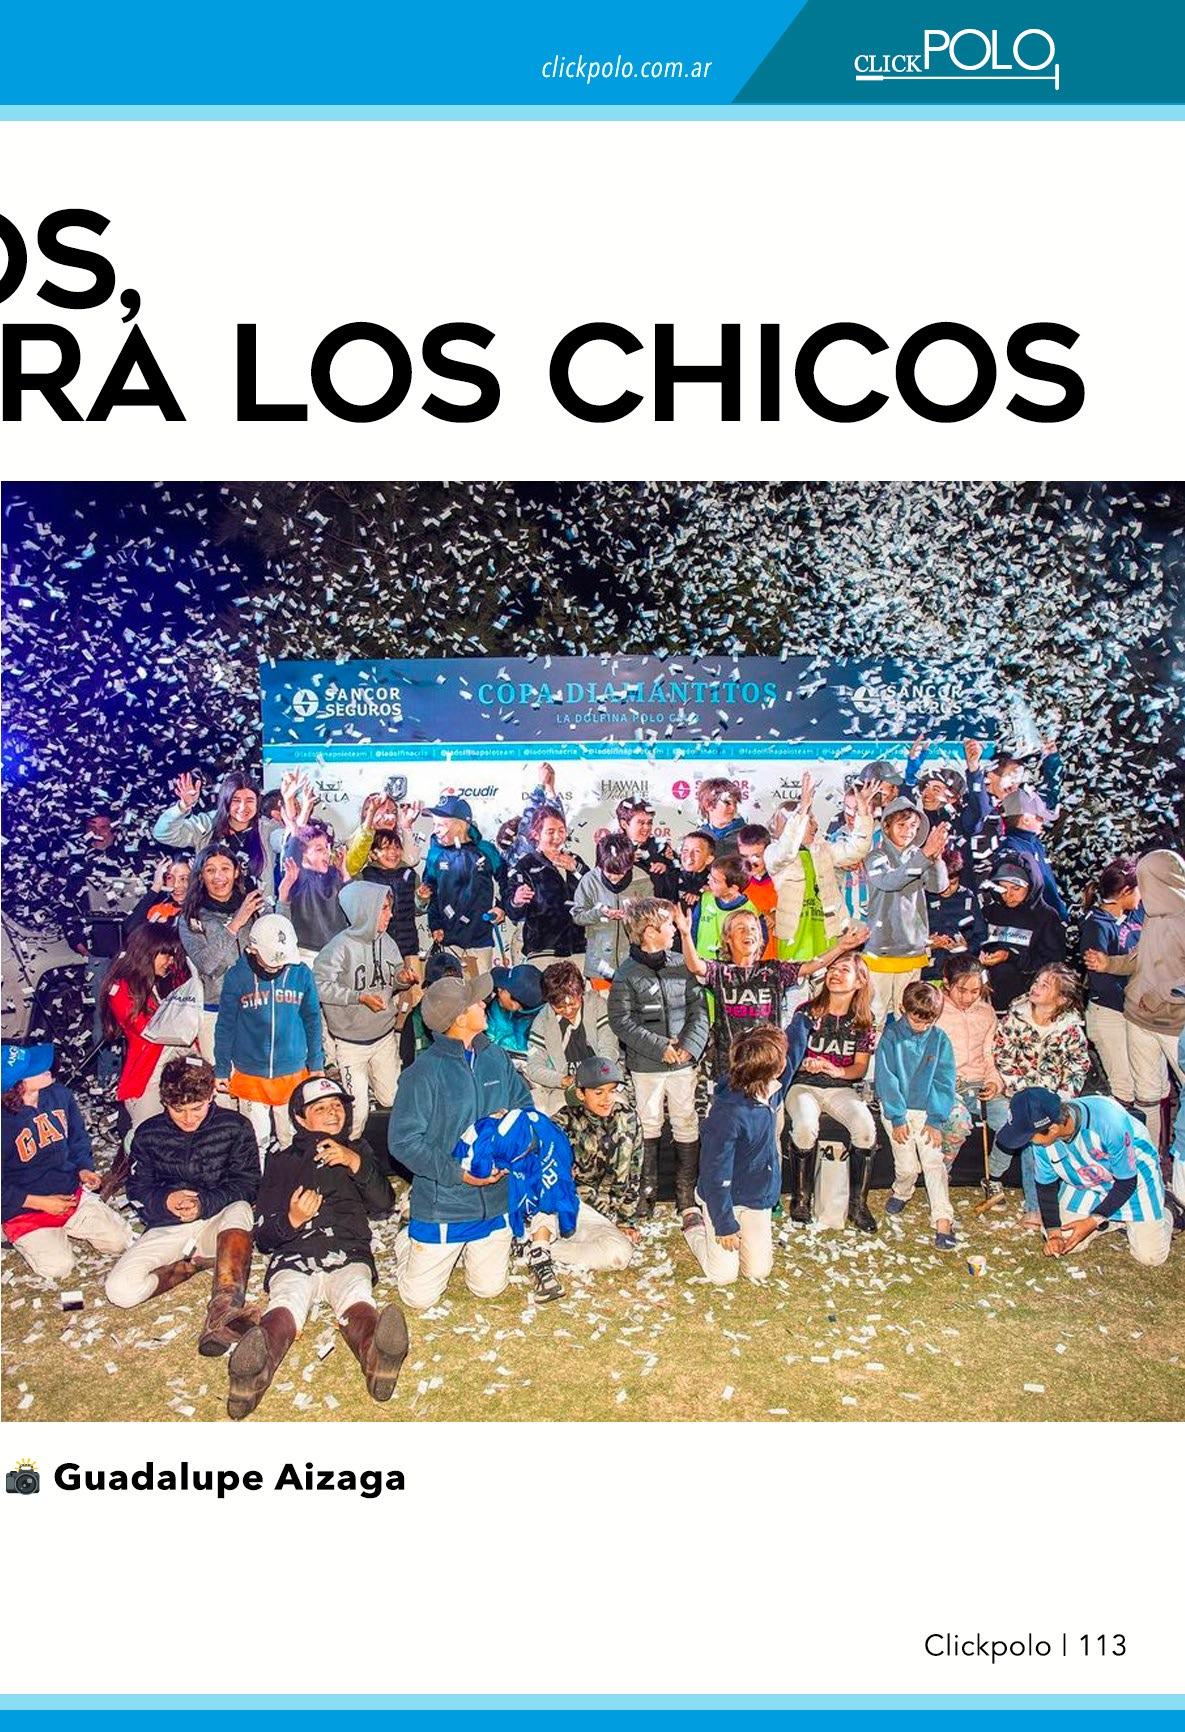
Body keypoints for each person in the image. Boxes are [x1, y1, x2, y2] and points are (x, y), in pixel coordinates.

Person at [227, 1075, 407, 1418]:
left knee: (356, 1295)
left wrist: (355, 1163)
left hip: (347, 1251)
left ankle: (377, 1355)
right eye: (320, 1108)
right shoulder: (281, 1161)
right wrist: (292, 1219)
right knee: (287, 1300)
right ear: (300, 1118)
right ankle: (252, 1373)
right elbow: (264, 1237)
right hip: (295, 1254)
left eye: (337, 1106)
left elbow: (384, 1201)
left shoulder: (359, 1151)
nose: (333, 1113)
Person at [387, 971, 534, 1310]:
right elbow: (403, 1142)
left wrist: (512, 1139)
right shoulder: (422, 1074)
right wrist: (458, 1173)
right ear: (459, 1019)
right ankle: (407, 1240)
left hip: (495, 1200)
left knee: (489, 1289)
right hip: (445, 1204)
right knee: (418, 1299)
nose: (484, 1004)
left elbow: (525, 1107)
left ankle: (472, 1249)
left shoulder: (496, 1057)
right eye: (476, 1002)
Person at [105, 1055, 260, 1356]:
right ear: (165, 1102)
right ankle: (191, 1265)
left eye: (196, 1108)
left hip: (219, 1220)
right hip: (169, 1226)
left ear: (211, 1096)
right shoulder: (148, 1134)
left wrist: (204, 1204)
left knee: (241, 1208)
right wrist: (166, 1200)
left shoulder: (236, 1126)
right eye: (178, 1110)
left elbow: (248, 1183)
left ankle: (224, 1310)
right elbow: (137, 1189)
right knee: (120, 1291)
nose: (189, 1118)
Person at [672, 902, 868, 1078]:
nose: (748, 933)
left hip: (767, 1063)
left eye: (753, 928)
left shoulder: (774, 970)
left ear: (760, 937)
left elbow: (810, 966)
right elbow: (696, 966)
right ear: (727, 938)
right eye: (740, 929)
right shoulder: (720, 970)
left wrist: (840, 947)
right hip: (729, 1063)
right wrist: (686, 934)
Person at [607, 897, 709, 1220]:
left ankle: (685, 1194)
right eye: (669, 926)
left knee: (685, 1119)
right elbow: (621, 1021)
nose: (675, 931)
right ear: (650, 932)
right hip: (647, 1065)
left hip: (682, 1063)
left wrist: (690, 1046)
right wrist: (658, 1046)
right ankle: (647, 1193)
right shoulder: (626, 974)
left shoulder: (682, 964)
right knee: (649, 1122)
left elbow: (699, 1010)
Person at [995, 1087, 1171, 1268]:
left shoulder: (1109, 1120)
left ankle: (1165, 1212)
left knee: (1150, 1257)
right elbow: (1045, 1186)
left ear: (1053, 1128)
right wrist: (1054, 1233)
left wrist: (1091, 1221)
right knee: (1062, 1239)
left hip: (1133, 1178)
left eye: (1029, 1137)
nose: (1028, 1142)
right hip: (1086, 1180)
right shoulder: (1042, 1141)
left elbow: (1126, 1182)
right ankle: (1113, 1220)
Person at [2, 1042, 132, 1282]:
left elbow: (77, 1137)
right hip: (25, 1208)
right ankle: (15, 1233)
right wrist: (38, 1202)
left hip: (70, 1194)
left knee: (119, 1241)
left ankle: (68, 1224)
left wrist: (83, 1168)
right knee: (59, 1268)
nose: (46, 1067)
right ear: (16, 1086)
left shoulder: (60, 1095)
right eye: (34, 1068)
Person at [1085, 849, 1185, 1149]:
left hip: (1174, 1025)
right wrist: (1109, 964)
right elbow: (1140, 959)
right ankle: (1148, 1157)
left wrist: (1163, 997)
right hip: (1139, 1020)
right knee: (1146, 1095)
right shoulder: (1152, 916)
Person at [684, 1025, 794, 1286]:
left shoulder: (771, 1090)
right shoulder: (728, 1115)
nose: (787, 1062)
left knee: (758, 1271)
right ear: (773, 1069)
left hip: (756, 1197)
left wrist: (807, 1018)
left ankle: (739, 1233)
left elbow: (797, 1048)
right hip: (724, 1199)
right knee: (722, 1276)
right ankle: (694, 1225)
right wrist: (724, 1224)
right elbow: (715, 1175)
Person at [214, 914, 325, 1158]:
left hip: (292, 1070)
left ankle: (291, 1179)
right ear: (253, 949)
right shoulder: (237, 976)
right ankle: (260, 1180)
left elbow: (312, 1019)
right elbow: (225, 1025)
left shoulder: (301, 973)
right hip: (251, 1072)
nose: (278, 966)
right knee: (256, 1141)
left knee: (292, 1139)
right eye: (272, 959)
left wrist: (316, 1063)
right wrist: (221, 1068)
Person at [783, 952, 879, 1231]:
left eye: (844, 970)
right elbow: (788, 1056)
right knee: (805, 1127)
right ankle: (801, 1200)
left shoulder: (863, 1020)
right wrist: (803, 1062)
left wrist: (838, 1071)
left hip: (839, 1087)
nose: (834, 973)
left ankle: (858, 1205)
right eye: (832, 969)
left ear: (860, 981)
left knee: (866, 1130)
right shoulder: (806, 1011)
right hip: (803, 1085)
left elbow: (859, 1068)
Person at [313, 882, 416, 1139]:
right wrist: (358, 998)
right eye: (384, 908)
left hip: (383, 1037)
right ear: (365, 910)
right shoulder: (339, 947)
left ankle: (371, 1083)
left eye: (390, 908)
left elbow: (394, 976)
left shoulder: (387, 942)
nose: (390, 915)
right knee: (356, 1116)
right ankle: (351, 1153)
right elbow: (319, 986)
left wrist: (402, 978)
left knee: (392, 1098)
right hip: (351, 1044)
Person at [990, 964, 1090, 1225]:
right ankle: (1034, 1207)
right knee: (1031, 1126)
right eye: (1037, 981)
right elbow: (1003, 1056)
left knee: (1046, 1126)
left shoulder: (1070, 1029)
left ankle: (1068, 1197)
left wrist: (1060, 1099)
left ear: (1062, 999)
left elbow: (1077, 1067)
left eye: (1046, 985)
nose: (1036, 987)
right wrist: (1024, 1094)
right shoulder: (1015, 1018)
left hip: (1055, 1099)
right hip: (1015, 1094)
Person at [450, 1106, 581, 1300]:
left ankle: (540, 1255)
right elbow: (464, 1163)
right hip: (481, 1199)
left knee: (547, 1194)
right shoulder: (483, 1135)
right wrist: (489, 1171)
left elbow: (561, 1187)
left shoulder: (551, 1139)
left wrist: (566, 1222)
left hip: (531, 1158)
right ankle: (515, 1242)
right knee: (485, 1285)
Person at [877, 981, 960, 1249]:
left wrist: (935, 1119)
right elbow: (887, 1079)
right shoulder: (891, 1036)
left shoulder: (940, 1039)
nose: (922, 1026)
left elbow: (944, 1080)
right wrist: (898, 1117)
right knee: (908, 1168)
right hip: (897, 1110)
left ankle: (943, 1221)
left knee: (934, 1162)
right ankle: (902, 1191)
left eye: (929, 1021)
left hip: (927, 1111)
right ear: (903, 1009)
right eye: (916, 1020)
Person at [766, 772, 874, 965]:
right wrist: (802, 809)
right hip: (793, 939)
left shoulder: (823, 849)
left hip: (827, 935)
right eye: (810, 820)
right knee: (796, 984)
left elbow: (856, 850)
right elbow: (787, 850)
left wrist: (864, 813)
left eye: (813, 819)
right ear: (791, 825)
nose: (816, 824)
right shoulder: (774, 852)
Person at [863, 795, 949, 1021]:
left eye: (913, 826)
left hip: (913, 948)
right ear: (886, 827)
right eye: (901, 825)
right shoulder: (876, 856)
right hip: (880, 950)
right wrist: (924, 856)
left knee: (907, 1014)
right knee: (875, 1015)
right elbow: (889, 881)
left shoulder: (919, 856)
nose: (908, 831)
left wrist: (937, 859)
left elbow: (939, 886)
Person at [179, 844, 266, 1064]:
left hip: (256, 1007)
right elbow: (206, 964)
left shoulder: (252, 908)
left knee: (255, 1079)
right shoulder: (191, 917)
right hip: (216, 1011)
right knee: (222, 1080)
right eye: (210, 870)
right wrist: (236, 923)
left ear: (236, 872)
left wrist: (283, 898)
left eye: (225, 868)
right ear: (201, 876)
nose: (218, 876)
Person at [100, 925, 190, 1134]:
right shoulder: (120, 988)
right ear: (147, 951)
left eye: (172, 956)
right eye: (165, 954)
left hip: (174, 1073)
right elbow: (146, 1029)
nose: (170, 961)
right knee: (147, 1136)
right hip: (147, 1078)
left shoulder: (164, 982)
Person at [552, 1056, 644, 1249]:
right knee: (615, 1252)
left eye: (612, 1090)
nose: (607, 1099)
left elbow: (635, 1172)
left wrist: (626, 1220)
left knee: (619, 1250)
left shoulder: (628, 1117)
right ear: (580, 1093)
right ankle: (546, 1248)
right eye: (598, 1092)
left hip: (615, 1209)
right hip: (580, 1208)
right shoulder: (565, 1121)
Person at [936, 955, 1009, 1177]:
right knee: (958, 1121)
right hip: (944, 1085)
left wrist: (994, 1082)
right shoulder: (934, 1008)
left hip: (979, 1084)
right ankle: (941, 1174)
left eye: (975, 991)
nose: (968, 998)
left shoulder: (987, 1012)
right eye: (961, 990)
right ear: (946, 983)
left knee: (1012, 1120)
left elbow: (990, 1054)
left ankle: (994, 1175)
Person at [1079, 858, 1142, 1110]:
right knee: (1123, 1085)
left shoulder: (1135, 913)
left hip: (1135, 1011)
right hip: (1110, 1012)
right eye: (1138, 890)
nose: (1142, 895)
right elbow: (1101, 980)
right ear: (1125, 892)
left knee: (1143, 1081)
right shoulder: (1096, 925)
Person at [523, 961, 621, 1119]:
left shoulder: (598, 1006)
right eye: (560, 1007)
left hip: (605, 1082)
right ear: (549, 1001)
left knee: (619, 1114)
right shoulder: (542, 1022)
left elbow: (609, 1049)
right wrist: (563, 1080)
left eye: (573, 1004)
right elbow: (534, 1067)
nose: (568, 1011)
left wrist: (594, 1079)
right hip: (566, 1089)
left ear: (581, 992)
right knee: (557, 1118)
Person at [153, 769, 280, 889]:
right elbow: (163, 834)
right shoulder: (206, 826)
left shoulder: (267, 829)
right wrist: (183, 806)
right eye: (236, 800)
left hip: (258, 903)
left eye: (250, 800)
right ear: (225, 801)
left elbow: (284, 840)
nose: (243, 807)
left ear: (257, 802)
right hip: (212, 904)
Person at [421, 794, 504, 975]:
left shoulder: (485, 850)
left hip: (480, 940)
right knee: (450, 990)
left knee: (481, 991)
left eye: (441, 825)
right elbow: (432, 893)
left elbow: (507, 882)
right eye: (434, 825)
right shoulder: (435, 854)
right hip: (449, 941)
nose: (435, 830)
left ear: (460, 825)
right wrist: (435, 924)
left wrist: (501, 907)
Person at [978, 854, 1066, 1012]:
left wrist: (1011, 957)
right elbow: (976, 943)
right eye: (1002, 888)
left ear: (1031, 886)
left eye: (1016, 888)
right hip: (985, 996)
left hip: (1026, 999)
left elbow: (1052, 964)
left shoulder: (1046, 917)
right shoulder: (990, 912)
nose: (1008, 895)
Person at [505, 811, 588, 970]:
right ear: (536, 834)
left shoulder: (575, 859)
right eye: (550, 832)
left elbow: (594, 891)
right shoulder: (525, 865)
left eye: (561, 831)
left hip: (578, 948)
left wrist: (576, 869)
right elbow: (512, 911)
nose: (557, 837)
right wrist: (516, 901)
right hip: (543, 952)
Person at [571, 834, 650, 987]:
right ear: (600, 864)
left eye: (620, 873)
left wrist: (634, 916)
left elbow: (651, 918)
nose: (615, 878)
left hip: (634, 963)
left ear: (630, 864)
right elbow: (577, 916)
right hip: (599, 965)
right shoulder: (589, 880)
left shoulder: (642, 879)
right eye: (609, 873)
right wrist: (599, 913)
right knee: (602, 1002)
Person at [355, 824, 423, 965]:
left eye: (397, 847)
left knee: (410, 977)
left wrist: (422, 899)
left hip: (408, 947)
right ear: (373, 853)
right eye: (385, 848)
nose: (393, 852)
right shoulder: (365, 877)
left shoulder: (410, 875)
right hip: (376, 947)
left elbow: (417, 910)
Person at [278, 825, 349, 960]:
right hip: (307, 953)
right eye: (319, 849)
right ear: (303, 855)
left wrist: (344, 872)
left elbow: (354, 905)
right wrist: (296, 823)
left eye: (327, 848)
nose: (327, 853)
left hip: (336, 951)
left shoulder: (334, 875)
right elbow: (293, 851)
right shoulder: (300, 879)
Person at [1000, 787, 1069, 921]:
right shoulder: (1012, 848)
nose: (1043, 821)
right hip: (1036, 922)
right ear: (1025, 819)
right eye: (1039, 817)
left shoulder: (1035, 843)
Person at [923, 844, 987, 980]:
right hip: (928, 970)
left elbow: (981, 935)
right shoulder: (922, 897)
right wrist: (928, 943)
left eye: (953, 883)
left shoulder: (967, 897)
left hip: (960, 969)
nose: (946, 889)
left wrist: (967, 947)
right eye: (942, 883)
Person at [693, 856, 759, 959]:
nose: (709, 882)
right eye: (710, 877)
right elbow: (693, 928)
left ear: (733, 888)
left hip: (728, 966)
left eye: (715, 881)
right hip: (700, 962)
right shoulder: (705, 899)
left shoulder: (749, 911)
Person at [615, 799, 678, 893]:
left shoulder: (661, 846)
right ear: (624, 824)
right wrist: (624, 862)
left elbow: (680, 876)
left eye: (649, 823)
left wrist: (666, 869)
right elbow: (605, 883)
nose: (647, 828)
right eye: (641, 823)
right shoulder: (612, 849)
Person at [485, 963, 545, 1062]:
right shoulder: (498, 1005)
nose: (498, 989)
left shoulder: (537, 1032)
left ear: (515, 1004)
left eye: (502, 989)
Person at [736, 825, 778, 958]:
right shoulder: (736, 884)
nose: (750, 863)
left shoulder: (782, 881)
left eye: (756, 856)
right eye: (744, 856)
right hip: (747, 959)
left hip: (777, 956)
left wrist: (777, 915)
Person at [126, 858, 192, 932]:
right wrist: (156, 886)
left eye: (183, 878)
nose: (176, 885)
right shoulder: (160, 910)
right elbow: (129, 929)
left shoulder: (200, 910)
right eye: (170, 878)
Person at [695, 777, 746, 854]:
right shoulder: (698, 838)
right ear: (708, 805)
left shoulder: (749, 836)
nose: (733, 808)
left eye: (735, 803)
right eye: (727, 803)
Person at [675, 831, 716, 911]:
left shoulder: (714, 883)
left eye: (697, 851)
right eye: (685, 850)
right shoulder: (671, 876)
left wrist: (704, 896)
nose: (689, 855)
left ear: (709, 859)